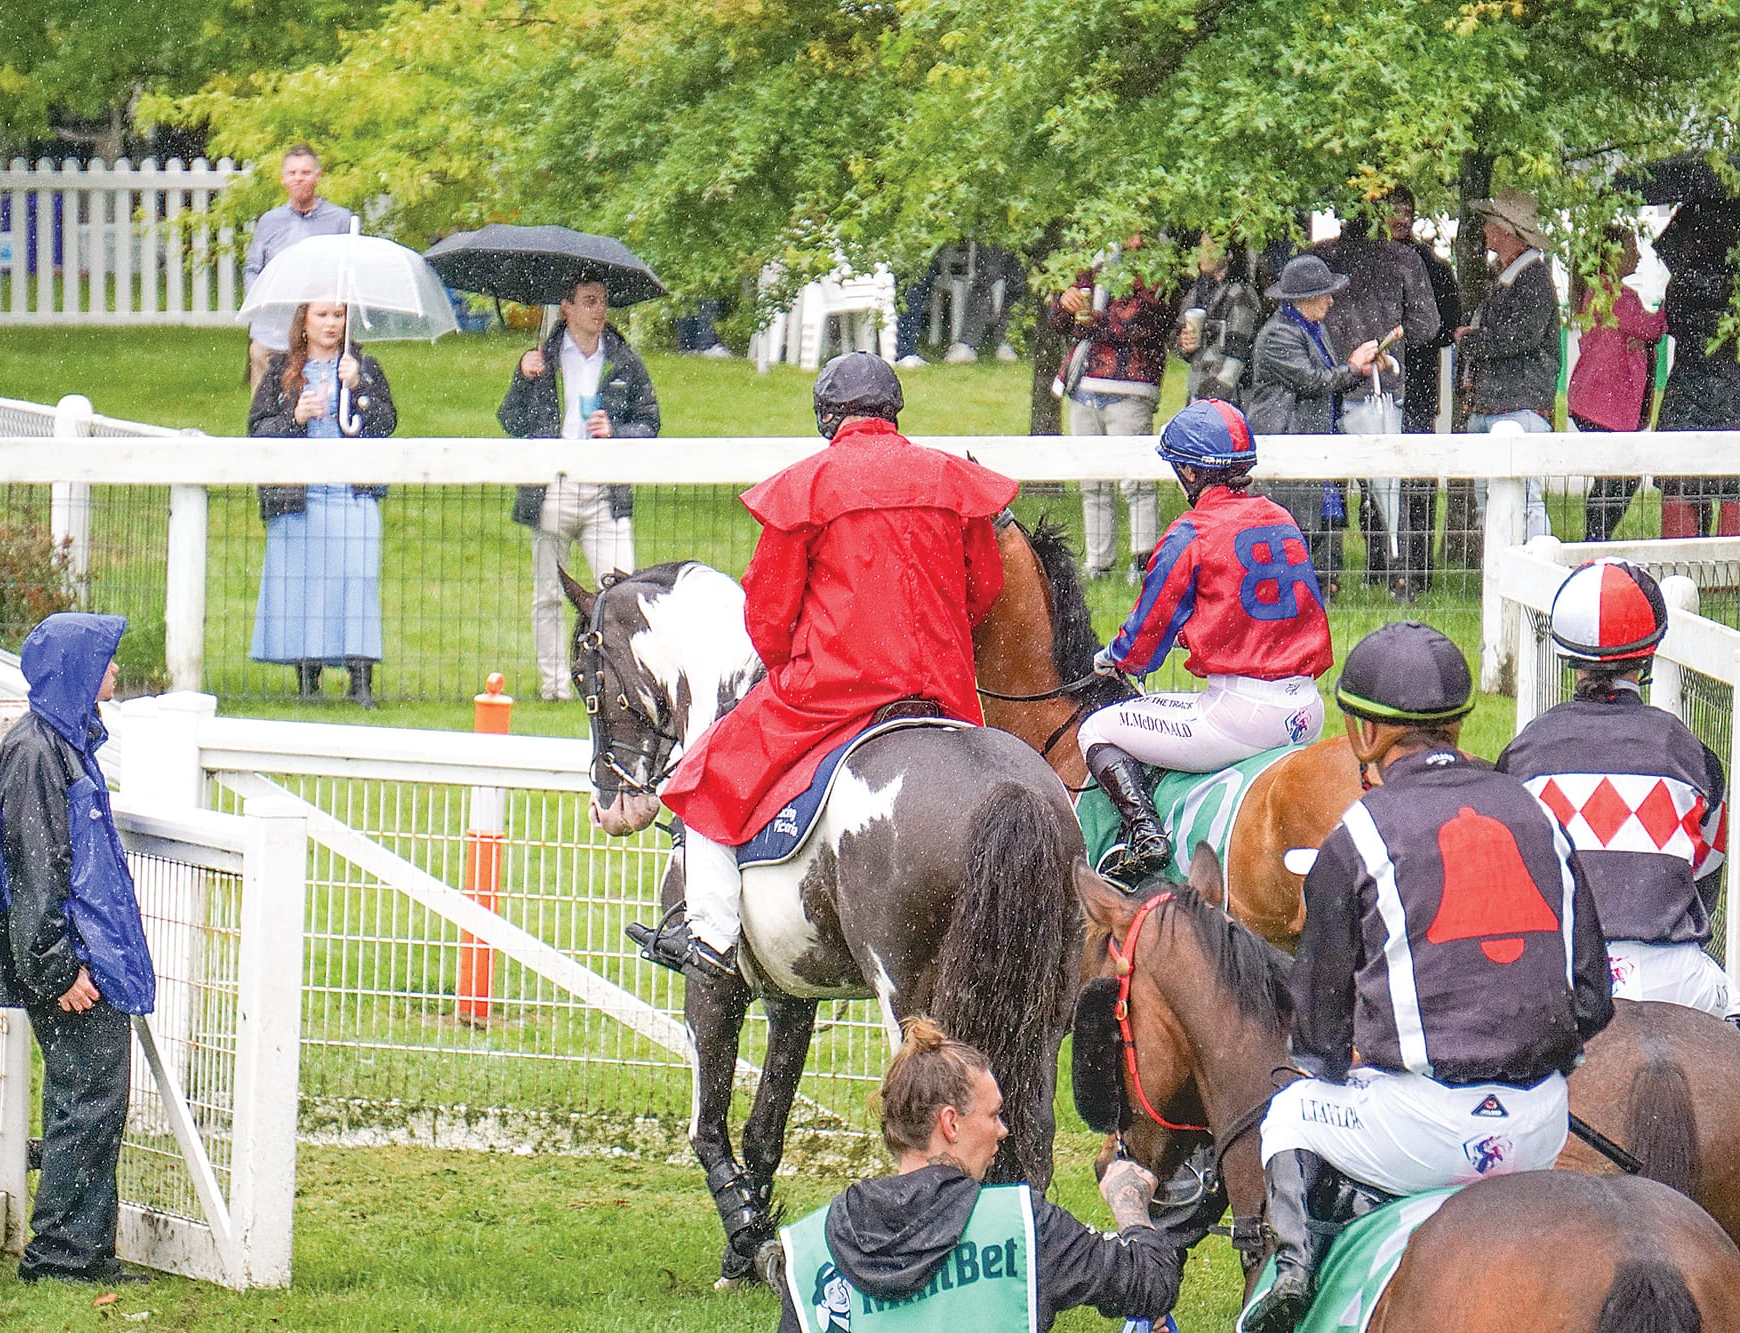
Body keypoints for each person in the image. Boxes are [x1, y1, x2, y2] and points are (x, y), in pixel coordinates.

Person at [1242, 622, 1611, 1333]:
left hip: (1422, 1131)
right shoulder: (1536, 810)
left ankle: (1293, 1272)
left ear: (1364, 732)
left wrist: (1358, 1053)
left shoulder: (1358, 833)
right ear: (1460, 723)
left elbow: (1317, 1037)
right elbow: (1592, 998)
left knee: (1289, 1109)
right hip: (1539, 1126)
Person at [637, 353, 1014, 980]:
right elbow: (984, 589)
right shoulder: (951, 481)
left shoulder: (806, 487)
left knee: (702, 777)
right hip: (944, 692)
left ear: (827, 419)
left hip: (834, 694)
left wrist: (791, 666)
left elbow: (768, 617)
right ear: (894, 413)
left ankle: (711, 939)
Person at [776, 1017, 1183, 1332]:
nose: (1003, 1130)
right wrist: (1127, 1201)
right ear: (950, 1124)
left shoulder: (810, 1250)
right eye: (993, 1114)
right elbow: (1152, 1282)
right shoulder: (1023, 1226)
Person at [1078, 400, 1333, 883]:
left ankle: (1146, 840)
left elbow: (1143, 644)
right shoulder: (1279, 517)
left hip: (1241, 716)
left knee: (1097, 728)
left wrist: (1113, 659)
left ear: (1191, 471)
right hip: (1306, 709)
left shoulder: (1190, 533)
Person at [0, 612, 155, 1285]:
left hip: (80, 957)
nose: (116, 670)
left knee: (86, 1097)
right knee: (88, 1099)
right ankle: (63, 1256)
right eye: (108, 660)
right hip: (68, 965)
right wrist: (57, 970)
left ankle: (74, 1249)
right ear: (80, 670)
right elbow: (34, 871)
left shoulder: (60, 742)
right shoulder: (37, 752)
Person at [1497, 559, 1732, 1016]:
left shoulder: (1522, 753)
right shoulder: (1693, 755)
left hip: (1558, 969)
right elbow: (1704, 882)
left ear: (1568, 654)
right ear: (1649, 653)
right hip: (1671, 975)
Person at [498, 276, 661, 702]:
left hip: (604, 490)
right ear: (566, 308)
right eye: (589, 301)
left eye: (602, 302)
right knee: (549, 593)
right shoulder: (541, 359)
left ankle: (623, 684)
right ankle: (554, 687)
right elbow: (511, 421)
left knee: (621, 592)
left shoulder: (624, 362)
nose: (598, 309)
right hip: (554, 487)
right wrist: (522, 376)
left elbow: (651, 423)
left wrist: (617, 431)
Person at [247, 300, 397, 707]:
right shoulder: (282, 371)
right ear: (305, 322)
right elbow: (258, 431)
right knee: (306, 586)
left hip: (351, 493)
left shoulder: (363, 368)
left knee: (356, 581)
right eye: (322, 315)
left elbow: (386, 424)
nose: (331, 324)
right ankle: (308, 682)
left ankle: (361, 681)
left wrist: (358, 389)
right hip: (301, 497)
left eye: (339, 315)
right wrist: (294, 417)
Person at [1310, 210, 1442, 598]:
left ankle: (1327, 578)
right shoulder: (1402, 259)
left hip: (1324, 386)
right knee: (1388, 491)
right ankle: (1399, 576)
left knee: (1326, 490)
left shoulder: (1321, 257)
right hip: (1378, 388)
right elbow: (1426, 327)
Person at [1244, 254, 1388, 600]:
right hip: (1287, 442)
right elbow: (1312, 382)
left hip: (1315, 443)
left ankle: (1320, 593)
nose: (1331, 299)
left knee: (1323, 524)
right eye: (1324, 293)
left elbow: (1328, 381)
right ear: (1303, 300)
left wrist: (1359, 368)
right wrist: (1352, 367)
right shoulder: (1278, 335)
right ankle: (1288, 597)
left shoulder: (1313, 328)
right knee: (1292, 528)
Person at [1050, 236, 1175, 578]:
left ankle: (1142, 561)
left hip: (1131, 387)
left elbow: (1144, 322)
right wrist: (1065, 303)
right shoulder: (1091, 256)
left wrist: (1090, 321)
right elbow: (1058, 321)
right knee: (1093, 480)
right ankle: (1098, 562)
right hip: (1084, 384)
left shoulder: (1157, 265)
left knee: (1136, 479)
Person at [1456, 189, 1561, 541]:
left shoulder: (1531, 278)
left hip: (1518, 407)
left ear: (1506, 230)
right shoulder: (1511, 277)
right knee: (1493, 501)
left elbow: (1519, 337)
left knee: (1526, 500)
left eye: (1490, 222)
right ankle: (1504, 576)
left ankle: (1538, 572)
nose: (1485, 229)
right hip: (1499, 404)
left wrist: (1470, 340)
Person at [1384, 186, 1463, 597]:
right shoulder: (1369, 261)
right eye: (1392, 210)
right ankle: (1381, 565)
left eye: (1406, 210)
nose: (1400, 218)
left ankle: (1417, 567)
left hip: (1415, 386)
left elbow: (1446, 326)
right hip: (1375, 386)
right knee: (1375, 481)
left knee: (1417, 481)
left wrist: (1414, 336)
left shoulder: (1431, 265)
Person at [1567, 224, 1665, 541]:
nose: (1637, 255)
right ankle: (1595, 540)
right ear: (1613, 255)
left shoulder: (1602, 293)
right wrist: (1665, 304)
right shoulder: (1614, 296)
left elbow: (1642, 332)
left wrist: (1642, 338)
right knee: (1619, 478)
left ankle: (1595, 540)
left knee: (1613, 477)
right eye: (1631, 247)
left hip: (1597, 401)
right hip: (1606, 403)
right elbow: (1650, 327)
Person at [1652, 200, 1740, 537]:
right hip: (1733, 393)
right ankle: (1730, 577)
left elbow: (1674, 325)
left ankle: (1680, 577)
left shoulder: (1682, 281)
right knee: (1735, 490)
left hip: (1686, 393)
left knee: (1681, 487)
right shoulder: (1735, 283)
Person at [242, 145, 353, 391]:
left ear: (318, 176)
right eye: (292, 173)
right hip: (273, 330)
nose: (298, 178)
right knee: (266, 410)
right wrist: (260, 300)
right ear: (283, 179)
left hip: (319, 335)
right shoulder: (270, 222)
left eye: (305, 172)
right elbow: (252, 270)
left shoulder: (340, 220)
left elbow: (349, 272)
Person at [1172, 234, 1263, 404]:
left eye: (1207, 248)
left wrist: (1216, 393)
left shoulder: (1240, 294)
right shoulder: (1198, 292)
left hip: (1230, 397)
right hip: (1199, 388)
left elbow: (1238, 352)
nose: (1200, 254)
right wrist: (1185, 344)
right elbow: (1176, 338)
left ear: (1227, 254)